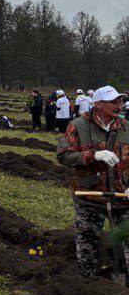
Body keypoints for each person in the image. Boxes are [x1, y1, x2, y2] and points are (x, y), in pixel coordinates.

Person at [57, 86, 129, 278]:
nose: (119, 105)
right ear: (98, 104)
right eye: (114, 102)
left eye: (121, 101)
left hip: (123, 197)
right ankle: (89, 285)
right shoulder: (78, 126)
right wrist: (93, 155)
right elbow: (64, 156)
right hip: (89, 196)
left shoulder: (126, 127)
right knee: (87, 243)